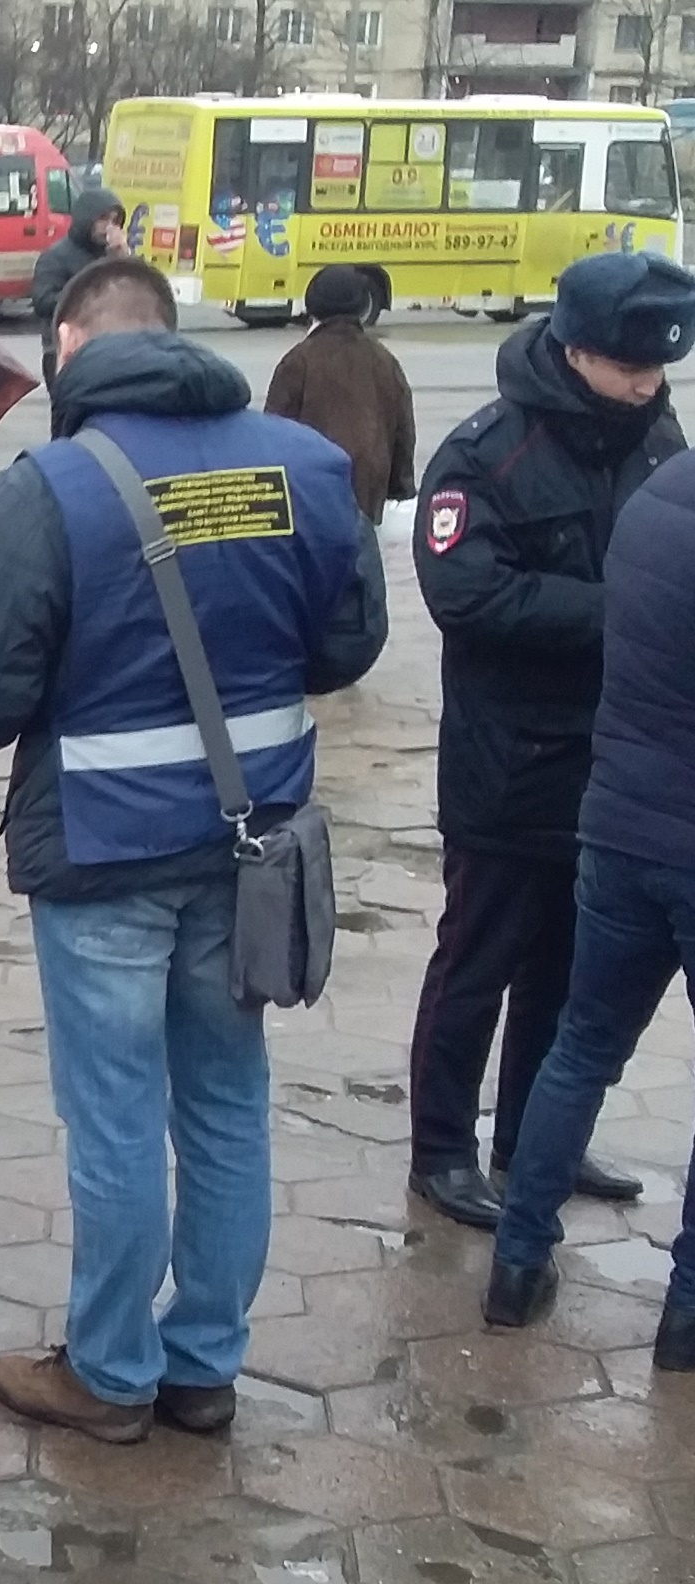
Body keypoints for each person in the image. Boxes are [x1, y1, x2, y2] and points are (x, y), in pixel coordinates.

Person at [0, 258, 387, 1444]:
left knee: (118, 1116)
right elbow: (348, 647)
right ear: (175, 337)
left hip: (104, 854)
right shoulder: (306, 466)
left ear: (69, 348)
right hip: (253, 842)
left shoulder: (45, 494)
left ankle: (111, 1372)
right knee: (226, 1099)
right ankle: (204, 1365)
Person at [402, 252, 693, 1231]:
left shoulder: (658, 437)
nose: (648, 385)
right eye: (629, 367)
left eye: (659, 368)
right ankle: (442, 1149)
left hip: (616, 767)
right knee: (477, 961)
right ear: (575, 351)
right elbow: (466, 594)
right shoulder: (486, 454)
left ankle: (535, 1143)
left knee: (565, 975)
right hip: (508, 762)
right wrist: (621, 611)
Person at [485, 444, 695, 1349]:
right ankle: (687, 1315)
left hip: (618, 827)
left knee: (580, 1049)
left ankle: (516, 1264)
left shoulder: (655, 498)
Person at [265, 265, 417, 522]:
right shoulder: (385, 361)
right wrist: (399, 488)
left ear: (311, 306)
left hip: (309, 504)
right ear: (362, 307)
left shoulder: (297, 361)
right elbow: (403, 435)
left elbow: (273, 437)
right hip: (368, 502)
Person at [29, 183, 128, 389]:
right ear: (87, 218)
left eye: (114, 221)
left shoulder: (111, 255)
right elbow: (43, 301)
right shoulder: (56, 257)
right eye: (103, 219)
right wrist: (87, 296)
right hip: (65, 352)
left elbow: (133, 294)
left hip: (108, 348)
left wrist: (123, 261)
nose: (109, 227)